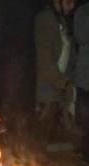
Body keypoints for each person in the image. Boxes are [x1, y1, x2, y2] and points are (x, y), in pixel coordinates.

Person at [34, 0, 77, 149]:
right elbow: (45, 61)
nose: (71, 7)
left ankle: (34, 160)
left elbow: (69, 57)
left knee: (45, 131)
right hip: (44, 85)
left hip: (57, 84)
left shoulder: (63, 23)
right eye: (68, 2)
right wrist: (63, 83)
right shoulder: (45, 19)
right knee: (39, 129)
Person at [73, 1, 89, 161]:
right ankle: (81, 153)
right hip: (85, 79)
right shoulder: (83, 12)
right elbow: (81, 37)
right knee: (84, 118)